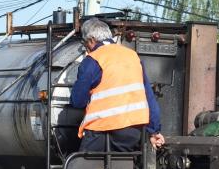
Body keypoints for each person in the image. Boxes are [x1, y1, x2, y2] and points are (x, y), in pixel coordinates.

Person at [69, 18, 164, 152]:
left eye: (85, 44)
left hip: (101, 128)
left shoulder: (93, 59)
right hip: (132, 130)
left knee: (85, 166)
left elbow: (78, 101)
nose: (87, 49)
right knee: (120, 166)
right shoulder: (132, 56)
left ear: (91, 40)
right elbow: (148, 96)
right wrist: (154, 131)